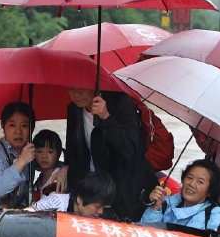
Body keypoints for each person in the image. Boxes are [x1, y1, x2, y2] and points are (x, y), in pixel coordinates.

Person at [65, 89, 156, 222]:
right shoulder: (74, 109)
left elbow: (130, 150)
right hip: (92, 184)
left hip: (122, 186)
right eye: (71, 89)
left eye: (81, 89)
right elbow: (73, 147)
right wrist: (65, 167)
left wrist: (106, 117)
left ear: (94, 85)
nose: (76, 95)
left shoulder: (120, 102)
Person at [140, 159, 220, 232]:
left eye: (200, 182)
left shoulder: (214, 215)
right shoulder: (166, 203)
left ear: (210, 191)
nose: (192, 184)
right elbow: (146, 233)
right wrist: (155, 208)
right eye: (189, 177)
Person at [28, 171, 116, 218]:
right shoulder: (56, 203)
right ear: (79, 199)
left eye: (103, 207)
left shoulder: (105, 216)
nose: (101, 212)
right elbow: (25, 215)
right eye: (97, 207)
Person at [31, 129, 67, 201]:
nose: (44, 156)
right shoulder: (39, 180)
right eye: (39, 151)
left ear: (58, 154)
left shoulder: (60, 176)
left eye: (50, 152)